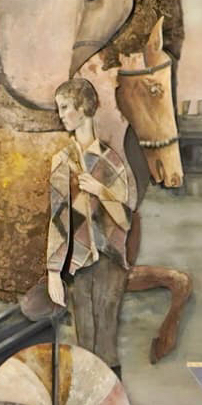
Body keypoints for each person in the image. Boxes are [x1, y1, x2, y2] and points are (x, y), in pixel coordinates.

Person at [45, 76, 137, 374]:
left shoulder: (112, 161)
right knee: (84, 340)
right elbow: (57, 219)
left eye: (65, 107)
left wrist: (100, 191)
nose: (61, 115)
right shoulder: (61, 161)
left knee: (107, 340)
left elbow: (124, 220)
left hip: (110, 259)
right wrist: (53, 272)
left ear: (84, 107)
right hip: (79, 261)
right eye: (58, 108)